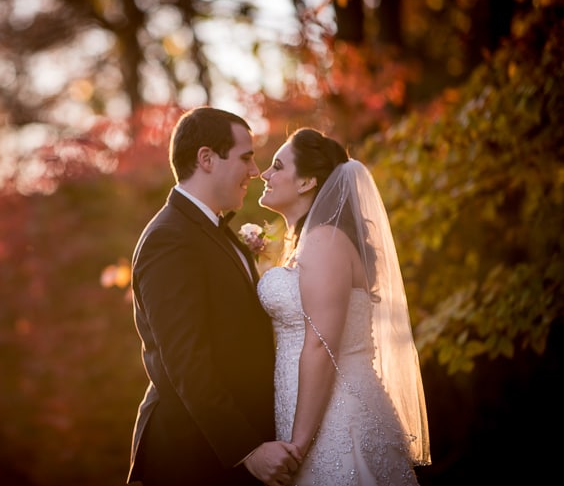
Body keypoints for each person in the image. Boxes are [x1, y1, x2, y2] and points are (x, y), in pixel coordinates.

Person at [127, 106, 301, 486]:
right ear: (206, 158)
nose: (254, 172)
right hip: (191, 458)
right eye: (245, 157)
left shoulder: (213, 231)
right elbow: (186, 362)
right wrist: (247, 450)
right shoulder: (168, 239)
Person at [255, 127, 431, 485]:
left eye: (276, 166)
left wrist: (299, 444)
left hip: (335, 423)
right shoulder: (315, 242)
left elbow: (321, 343)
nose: (264, 175)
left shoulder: (325, 241)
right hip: (314, 413)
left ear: (306, 182)